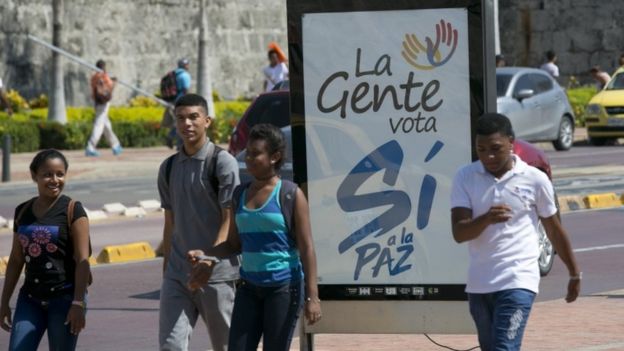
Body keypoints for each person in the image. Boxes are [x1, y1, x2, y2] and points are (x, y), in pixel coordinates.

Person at [450, 113, 581, 351]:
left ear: (511, 142)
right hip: (480, 285)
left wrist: (574, 273)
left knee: (504, 348)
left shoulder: (535, 179)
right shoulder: (465, 177)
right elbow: (459, 233)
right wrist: (486, 219)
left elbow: (553, 229)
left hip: (518, 281)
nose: (488, 156)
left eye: (495, 148)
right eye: (481, 149)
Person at [187, 123, 322, 351]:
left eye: (256, 153)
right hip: (249, 287)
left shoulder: (290, 194)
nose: (248, 159)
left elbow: (307, 249)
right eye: (247, 153)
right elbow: (233, 244)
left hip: (284, 288)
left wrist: (313, 297)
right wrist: (206, 255)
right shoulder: (239, 194)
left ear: (274, 157)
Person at [157, 93, 240, 351]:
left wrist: (209, 260)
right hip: (178, 274)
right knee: (171, 346)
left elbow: (229, 220)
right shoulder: (168, 168)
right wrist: (168, 267)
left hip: (217, 274)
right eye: (181, 118)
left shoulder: (222, 162)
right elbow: (170, 222)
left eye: (194, 117)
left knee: (226, 346)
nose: (187, 124)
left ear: (207, 121)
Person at [0, 149, 91, 351]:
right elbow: (16, 260)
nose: (55, 180)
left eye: (60, 174)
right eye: (47, 174)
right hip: (30, 299)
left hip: (65, 299)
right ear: (34, 176)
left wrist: (78, 303)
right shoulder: (22, 211)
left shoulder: (73, 209)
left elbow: (83, 259)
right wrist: (4, 302)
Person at [85, 59, 122, 157]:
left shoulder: (94, 77)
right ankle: (90, 147)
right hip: (104, 103)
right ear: (103, 67)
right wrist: (115, 81)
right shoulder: (104, 76)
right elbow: (110, 87)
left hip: (97, 103)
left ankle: (115, 145)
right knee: (99, 125)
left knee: (106, 125)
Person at [161, 58, 192, 149]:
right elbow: (186, 89)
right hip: (181, 101)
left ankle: (175, 140)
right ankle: (175, 140)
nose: (188, 66)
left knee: (179, 121)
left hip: (173, 101)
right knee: (182, 122)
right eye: (187, 64)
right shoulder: (185, 75)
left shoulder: (175, 74)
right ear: (185, 65)